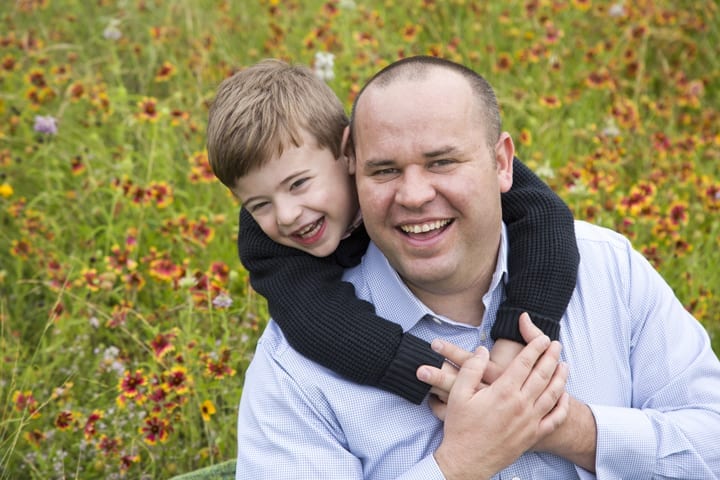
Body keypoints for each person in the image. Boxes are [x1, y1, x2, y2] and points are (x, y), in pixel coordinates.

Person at [234, 55, 720, 479]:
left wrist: (565, 427)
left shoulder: (608, 271)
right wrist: (458, 466)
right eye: (384, 170)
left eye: (442, 162)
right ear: (353, 166)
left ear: (502, 163)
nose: (415, 194)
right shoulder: (293, 368)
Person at [206, 59, 579, 405]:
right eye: (258, 205)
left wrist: (518, 338)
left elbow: (545, 217)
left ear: (348, 152)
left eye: (300, 184)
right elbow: (319, 319)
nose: (286, 216)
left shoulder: (416, 154)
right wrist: (431, 375)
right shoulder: (267, 243)